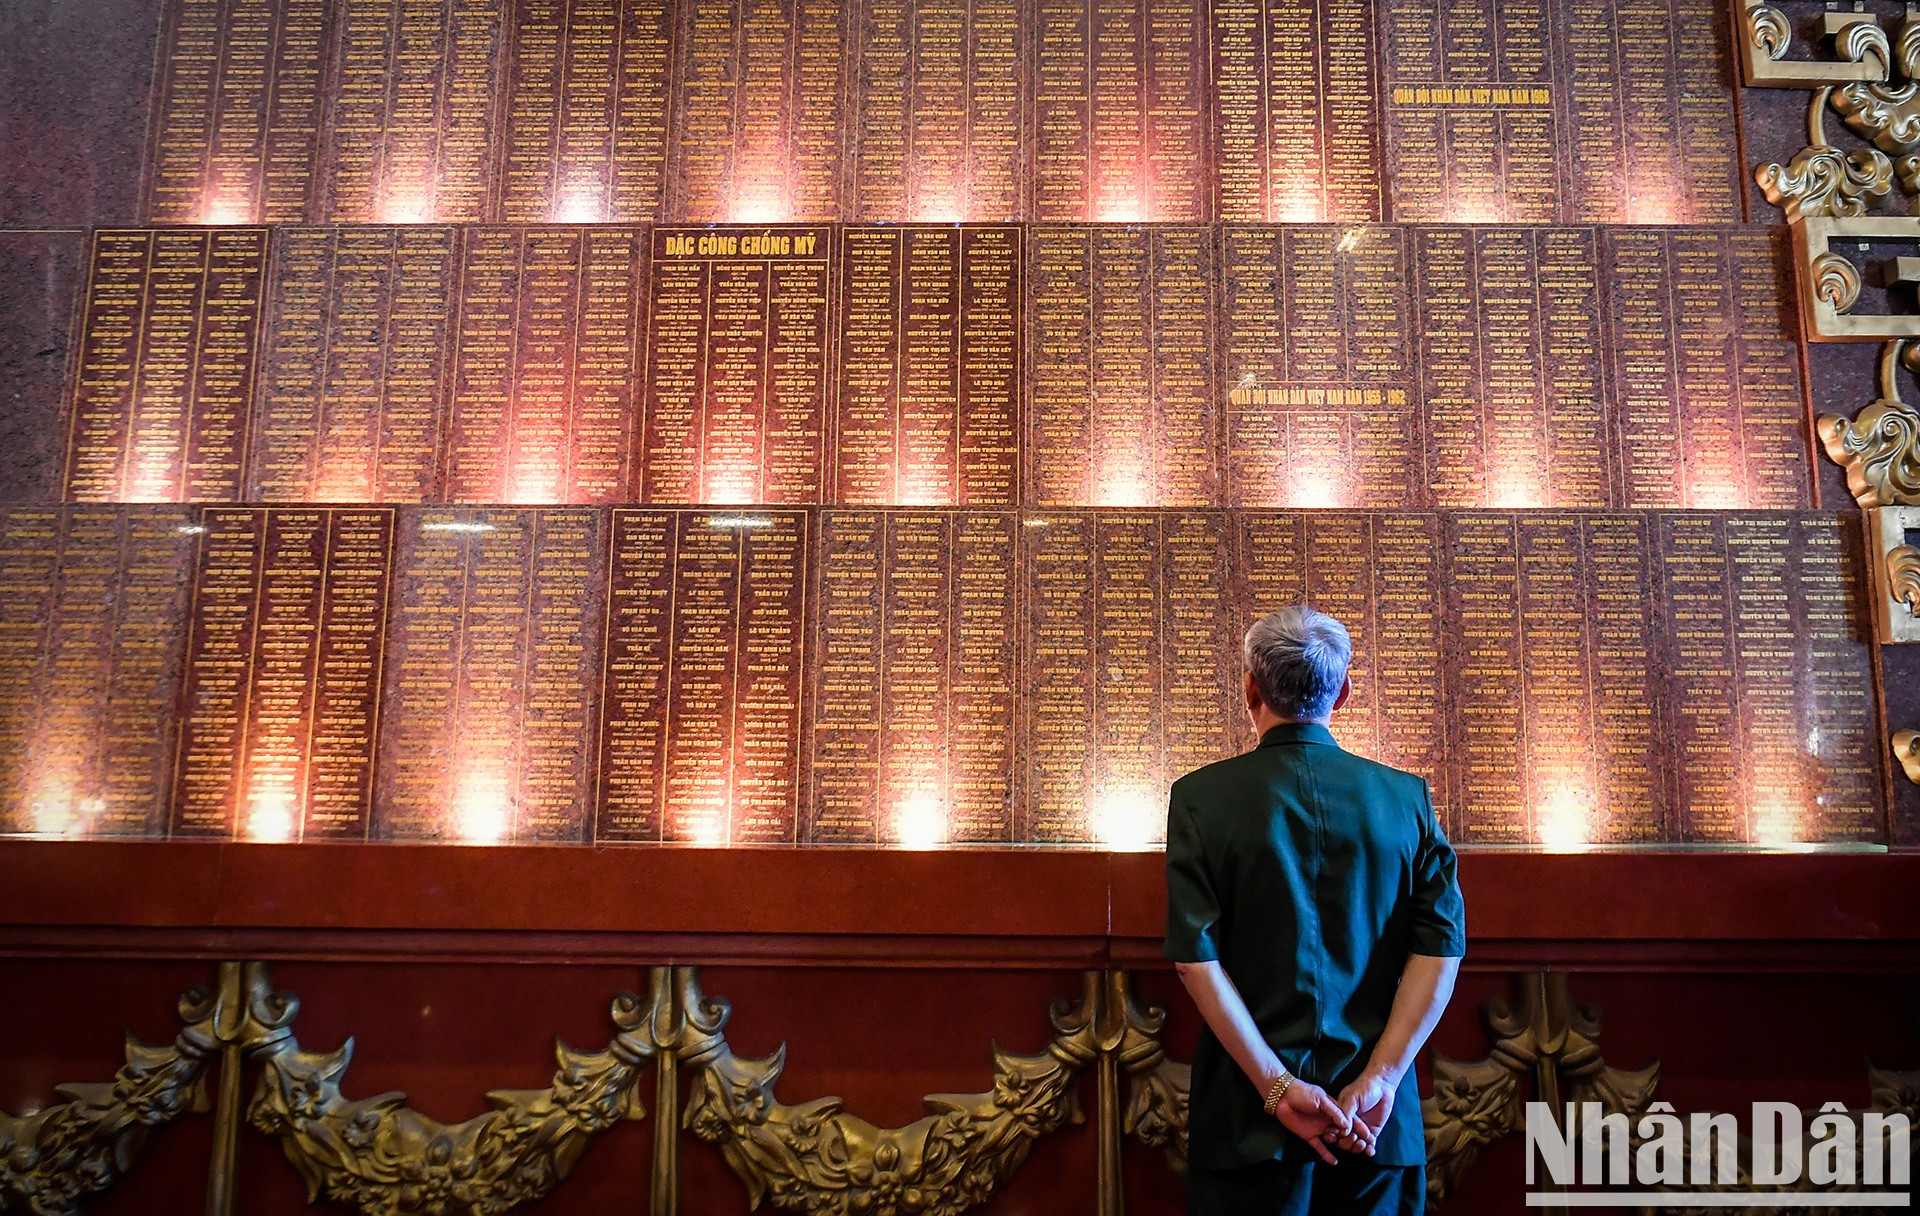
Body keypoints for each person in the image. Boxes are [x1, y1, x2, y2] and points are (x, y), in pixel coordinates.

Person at [1164, 605, 1466, 1215]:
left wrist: (1277, 1089)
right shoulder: (1406, 798)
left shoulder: (1199, 800)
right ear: (1345, 691)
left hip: (1248, 1123)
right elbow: (1440, 949)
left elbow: (1197, 962)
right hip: (1373, 1127)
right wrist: (1379, 1080)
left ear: (1250, 687)